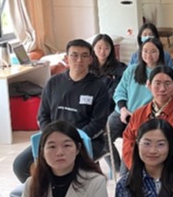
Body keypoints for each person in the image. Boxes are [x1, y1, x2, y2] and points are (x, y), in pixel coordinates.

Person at [12, 39, 110, 183]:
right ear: (66, 58)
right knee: (21, 165)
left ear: (90, 59)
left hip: (84, 140)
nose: (79, 60)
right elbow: (43, 115)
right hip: (53, 137)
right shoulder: (53, 83)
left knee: (64, 167)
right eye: (74, 55)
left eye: (84, 56)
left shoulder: (98, 87)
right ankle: (45, 192)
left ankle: (66, 192)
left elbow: (98, 122)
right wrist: (50, 136)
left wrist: (73, 140)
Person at [121, 66, 173, 176]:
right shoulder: (138, 114)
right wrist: (138, 168)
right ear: (149, 85)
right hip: (142, 174)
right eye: (157, 83)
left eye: (167, 84)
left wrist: (166, 170)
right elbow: (128, 142)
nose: (162, 89)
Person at [107, 37, 164, 173]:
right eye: (145, 51)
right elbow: (119, 91)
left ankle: (125, 173)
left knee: (131, 144)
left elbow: (163, 99)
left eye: (153, 51)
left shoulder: (163, 73)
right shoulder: (132, 69)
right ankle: (116, 167)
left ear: (160, 53)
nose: (149, 55)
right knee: (104, 136)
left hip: (144, 116)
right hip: (123, 111)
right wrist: (123, 109)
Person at [90, 33, 127, 104]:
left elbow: (117, 91)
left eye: (106, 48)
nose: (102, 51)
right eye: (99, 48)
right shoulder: (87, 67)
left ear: (111, 49)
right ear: (93, 48)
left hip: (109, 104)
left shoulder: (120, 68)